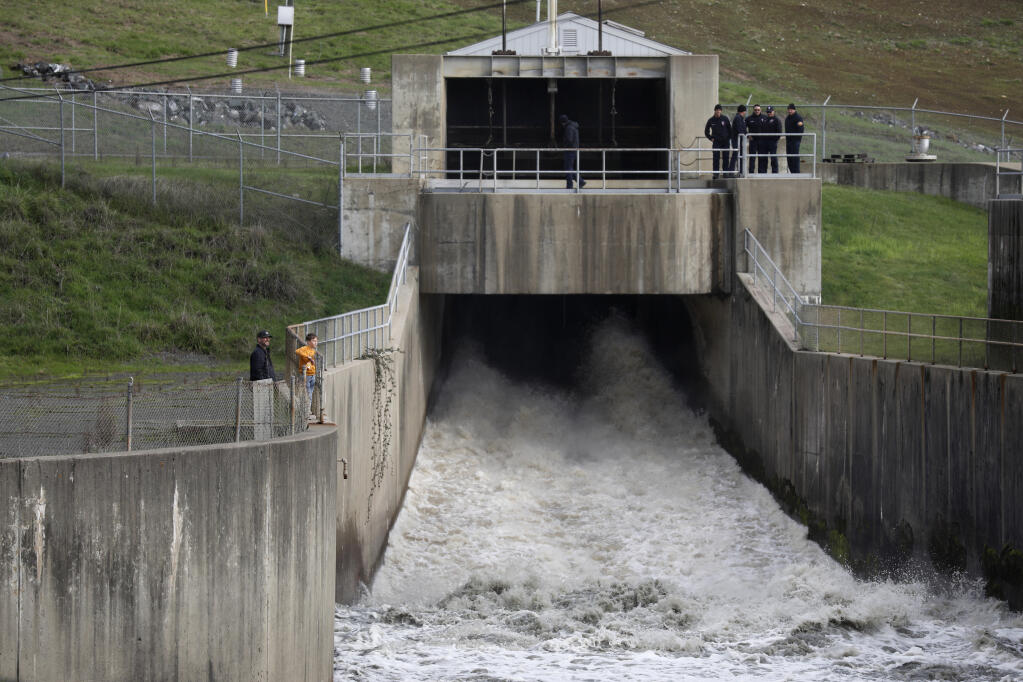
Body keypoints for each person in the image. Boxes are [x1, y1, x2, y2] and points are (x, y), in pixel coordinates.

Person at [704, 104, 732, 180]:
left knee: (726, 158)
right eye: (717, 110)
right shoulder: (711, 120)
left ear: (721, 111)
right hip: (716, 142)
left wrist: (728, 138)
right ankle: (716, 174)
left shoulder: (725, 118)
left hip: (725, 141)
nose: (718, 112)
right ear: (715, 111)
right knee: (716, 158)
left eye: (719, 110)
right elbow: (706, 131)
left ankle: (725, 173)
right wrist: (711, 138)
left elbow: (730, 130)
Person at [558, 114, 586, 189]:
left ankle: (570, 185)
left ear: (563, 122)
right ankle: (580, 181)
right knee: (569, 167)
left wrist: (565, 146)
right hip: (573, 149)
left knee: (568, 168)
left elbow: (569, 140)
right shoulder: (573, 126)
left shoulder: (569, 128)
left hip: (570, 150)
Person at [295, 332, 318, 418]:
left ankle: (307, 409)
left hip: (312, 374)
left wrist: (310, 358)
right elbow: (297, 351)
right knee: (306, 392)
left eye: (316, 341)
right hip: (305, 374)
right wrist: (307, 357)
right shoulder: (305, 348)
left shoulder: (313, 351)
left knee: (310, 392)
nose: (315, 343)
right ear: (308, 342)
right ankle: (305, 409)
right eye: (314, 341)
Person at [761, 105, 783, 173]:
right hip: (764, 142)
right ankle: (763, 172)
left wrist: (775, 139)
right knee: (764, 158)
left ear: (773, 111)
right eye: (768, 112)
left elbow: (779, 131)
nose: (769, 113)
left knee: (773, 157)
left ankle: (775, 172)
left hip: (772, 142)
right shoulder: (764, 119)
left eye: (770, 112)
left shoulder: (776, 120)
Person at [784, 103, 805, 173]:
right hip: (788, 141)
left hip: (795, 141)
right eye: (789, 110)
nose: (790, 111)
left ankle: (796, 172)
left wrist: (796, 138)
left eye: (791, 110)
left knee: (795, 156)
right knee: (789, 157)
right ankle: (792, 172)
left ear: (794, 110)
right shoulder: (787, 118)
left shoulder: (798, 118)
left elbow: (801, 129)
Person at [745, 104, 766, 174]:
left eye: (758, 110)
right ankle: (751, 172)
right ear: (753, 110)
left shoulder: (765, 117)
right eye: (755, 110)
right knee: (752, 158)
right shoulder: (749, 118)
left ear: (761, 110)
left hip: (762, 141)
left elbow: (769, 128)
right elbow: (743, 128)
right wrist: (748, 135)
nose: (757, 111)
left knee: (761, 158)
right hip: (753, 141)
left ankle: (761, 172)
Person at [729, 104, 747, 176]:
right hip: (737, 140)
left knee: (739, 155)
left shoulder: (739, 118)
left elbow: (743, 129)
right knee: (736, 155)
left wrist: (746, 134)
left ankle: (740, 171)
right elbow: (740, 129)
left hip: (738, 140)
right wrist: (745, 135)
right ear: (743, 111)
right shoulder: (738, 118)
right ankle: (731, 171)